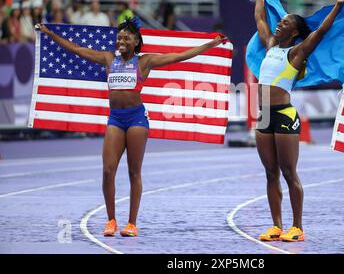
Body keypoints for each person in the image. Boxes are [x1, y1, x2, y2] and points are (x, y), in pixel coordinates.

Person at [35, 17, 227, 237]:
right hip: (115, 119)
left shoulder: (144, 62)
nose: (121, 40)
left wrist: (209, 45)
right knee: (108, 171)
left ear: (137, 41)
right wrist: (50, 34)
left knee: (134, 172)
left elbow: (180, 56)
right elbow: (77, 49)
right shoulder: (108, 58)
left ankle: (131, 223)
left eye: (126, 37)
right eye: (119, 37)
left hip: (136, 119)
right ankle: (111, 220)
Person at [254, 0, 344, 242]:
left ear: (294, 32)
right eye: (281, 21)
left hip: (284, 115)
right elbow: (260, 18)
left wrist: (339, 5)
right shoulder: (271, 45)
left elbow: (320, 32)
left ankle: (297, 226)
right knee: (270, 173)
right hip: (263, 116)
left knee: (288, 172)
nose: (278, 25)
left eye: (284, 23)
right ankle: (276, 225)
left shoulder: (296, 53)